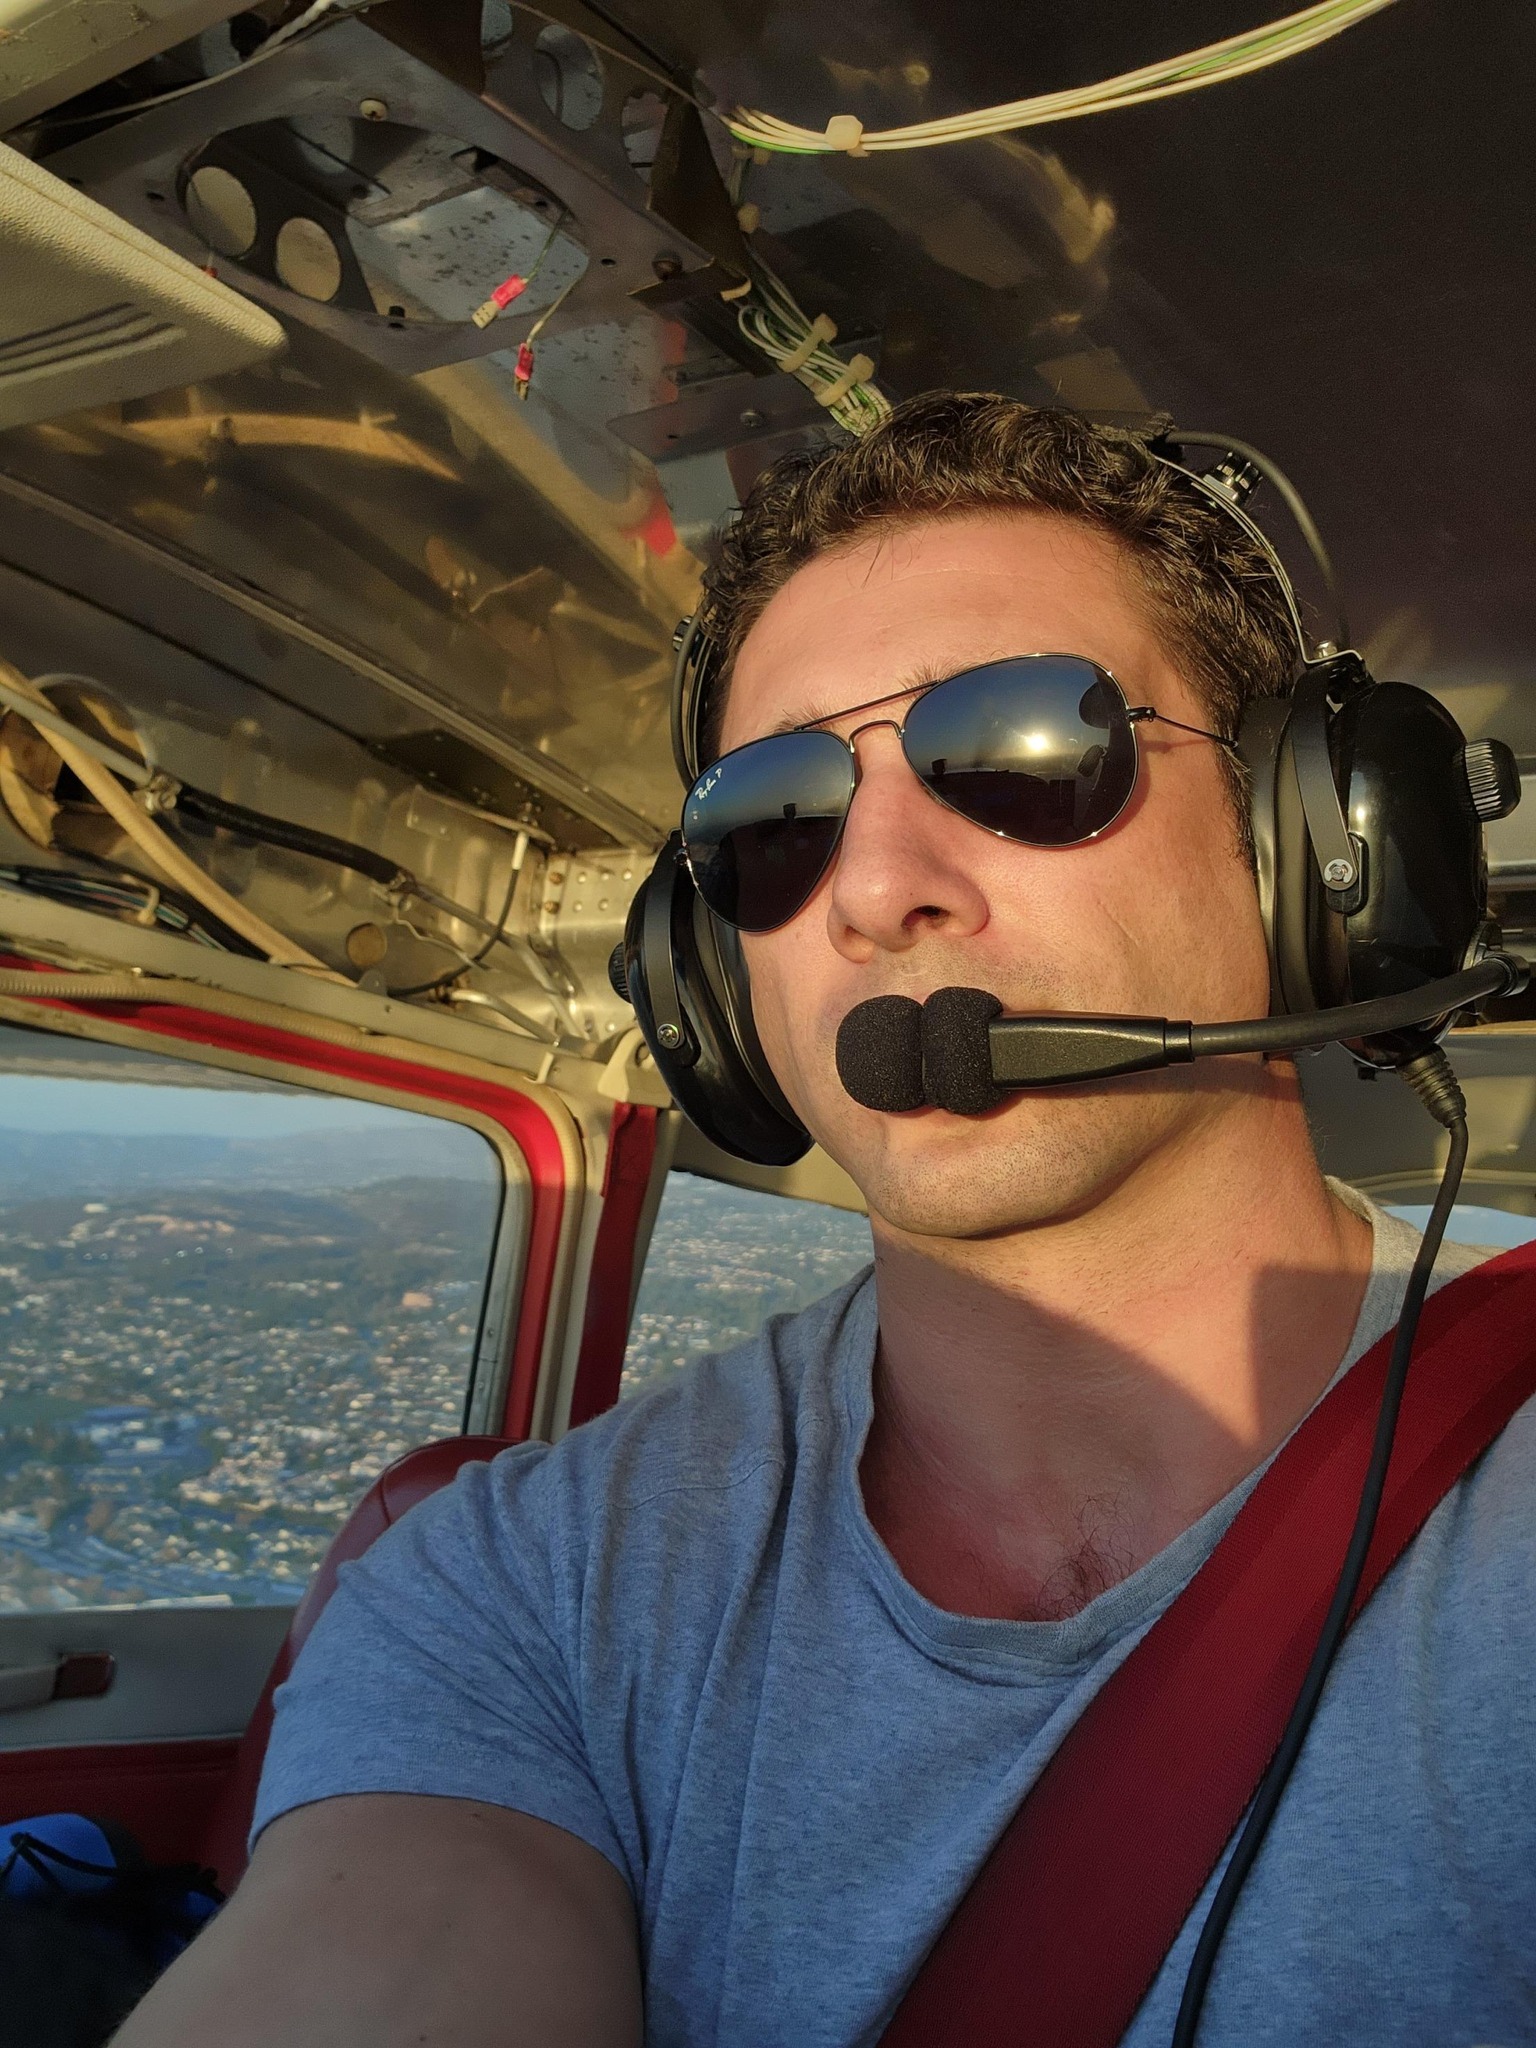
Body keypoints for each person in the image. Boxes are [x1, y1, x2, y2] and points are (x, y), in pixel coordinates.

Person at [114, 395, 1536, 2047]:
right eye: (771, 818)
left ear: (1309, 835)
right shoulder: (522, 1589)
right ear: (713, 975)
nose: (870, 888)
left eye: (1022, 749)